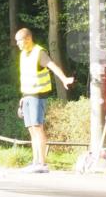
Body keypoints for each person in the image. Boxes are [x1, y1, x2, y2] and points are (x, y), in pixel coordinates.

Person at [14, 28, 74, 173]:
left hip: (37, 96)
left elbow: (53, 66)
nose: (18, 44)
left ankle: (42, 163)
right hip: (27, 95)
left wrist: (64, 79)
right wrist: (22, 98)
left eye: (19, 41)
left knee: (37, 127)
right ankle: (35, 162)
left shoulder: (39, 53)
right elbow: (27, 77)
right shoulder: (23, 54)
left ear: (28, 39)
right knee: (31, 130)